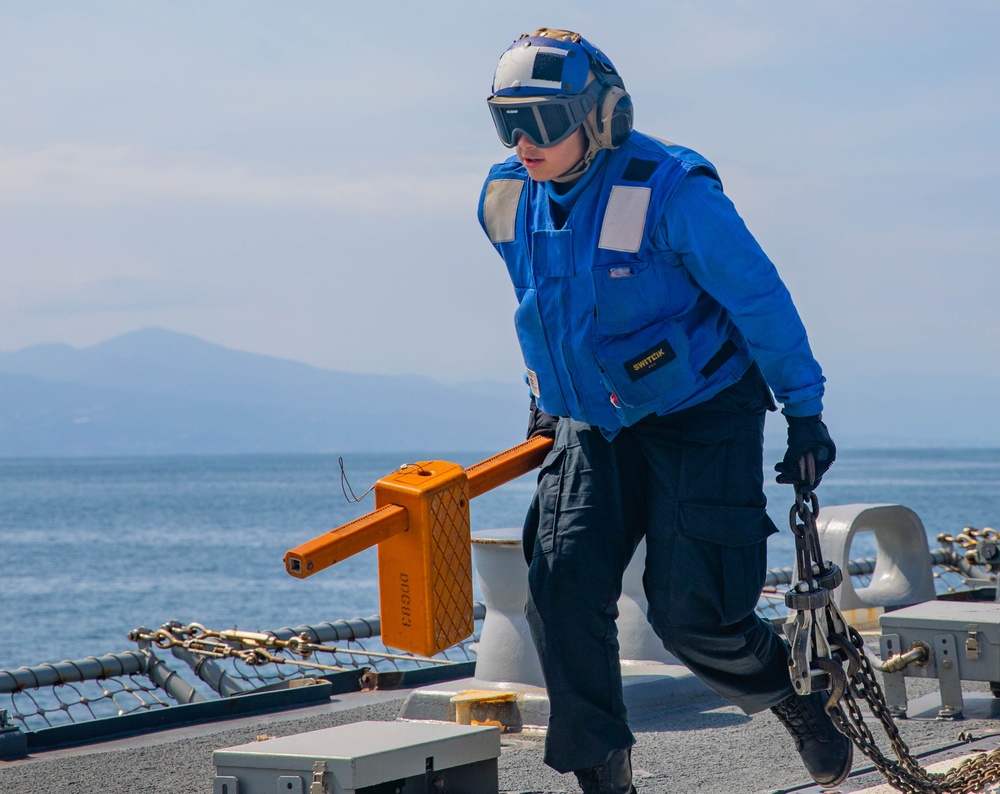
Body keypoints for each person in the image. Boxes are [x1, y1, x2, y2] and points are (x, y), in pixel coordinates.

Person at [476, 28, 850, 794]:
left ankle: (791, 697)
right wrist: (547, 407)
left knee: (693, 615)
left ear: (603, 115)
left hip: (700, 413)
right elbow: (546, 307)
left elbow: (758, 297)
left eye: (542, 122)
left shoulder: (675, 190)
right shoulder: (507, 198)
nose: (522, 141)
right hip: (593, 425)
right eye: (506, 120)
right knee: (562, 587)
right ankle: (605, 778)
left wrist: (804, 413)